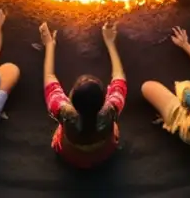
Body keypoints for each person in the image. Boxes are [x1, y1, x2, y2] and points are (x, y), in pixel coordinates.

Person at [39, 21, 127, 168]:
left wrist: (49, 45)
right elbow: (119, 76)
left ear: (71, 98)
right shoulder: (111, 108)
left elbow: (49, 77)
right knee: (113, 128)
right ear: (104, 98)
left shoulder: (63, 110)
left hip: (70, 155)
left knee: (63, 131)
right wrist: (110, 42)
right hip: (104, 152)